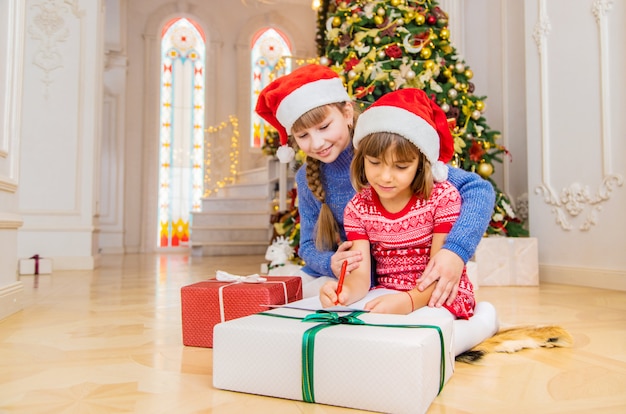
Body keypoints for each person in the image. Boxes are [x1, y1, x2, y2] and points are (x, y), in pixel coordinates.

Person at [255, 64, 494, 306]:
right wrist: (330, 262)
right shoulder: (309, 178)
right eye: (303, 136)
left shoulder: (383, 150)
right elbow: (307, 245)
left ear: (347, 113)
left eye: (324, 127)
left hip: (408, 281)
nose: (317, 143)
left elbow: (478, 190)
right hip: (356, 281)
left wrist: (455, 250)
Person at [319, 88, 474, 318]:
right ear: (362, 160)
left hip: (439, 294)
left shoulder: (442, 198)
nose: (385, 176)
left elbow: (440, 273)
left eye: (401, 167)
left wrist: (409, 301)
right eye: (375, 163)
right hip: (388, 292)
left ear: (421, 164)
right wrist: (344, 292)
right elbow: (361, 276)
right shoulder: (358, 208)